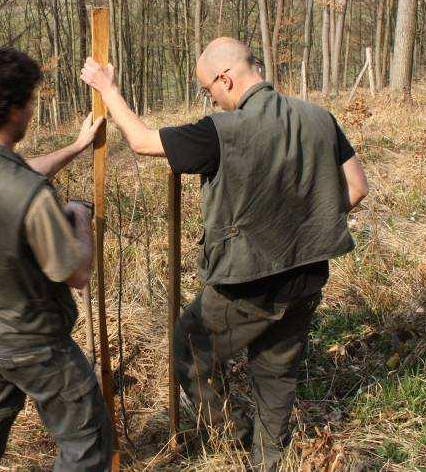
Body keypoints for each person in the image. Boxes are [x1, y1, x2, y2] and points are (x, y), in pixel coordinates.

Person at [79, 37, 368, 470]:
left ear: (225, 78)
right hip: (309, 274)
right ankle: (266, 460)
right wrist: (303, 218)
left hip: (247, 282)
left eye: (207, 90)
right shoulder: (320, 118)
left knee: (189, 347)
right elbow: (357, 188)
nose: (210, 99)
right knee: (276, 372)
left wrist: (109, 89)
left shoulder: (221, 132)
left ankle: (229, 435)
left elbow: (140, 141)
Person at [0, 47, 111, 471]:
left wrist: (75, 146)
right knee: (87, 441)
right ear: (15, 109)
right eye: (31, 102)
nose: (32, 111)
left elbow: (16, 172)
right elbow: (76, 272)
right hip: (30, 342)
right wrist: (80, 217)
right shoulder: (31, 198)